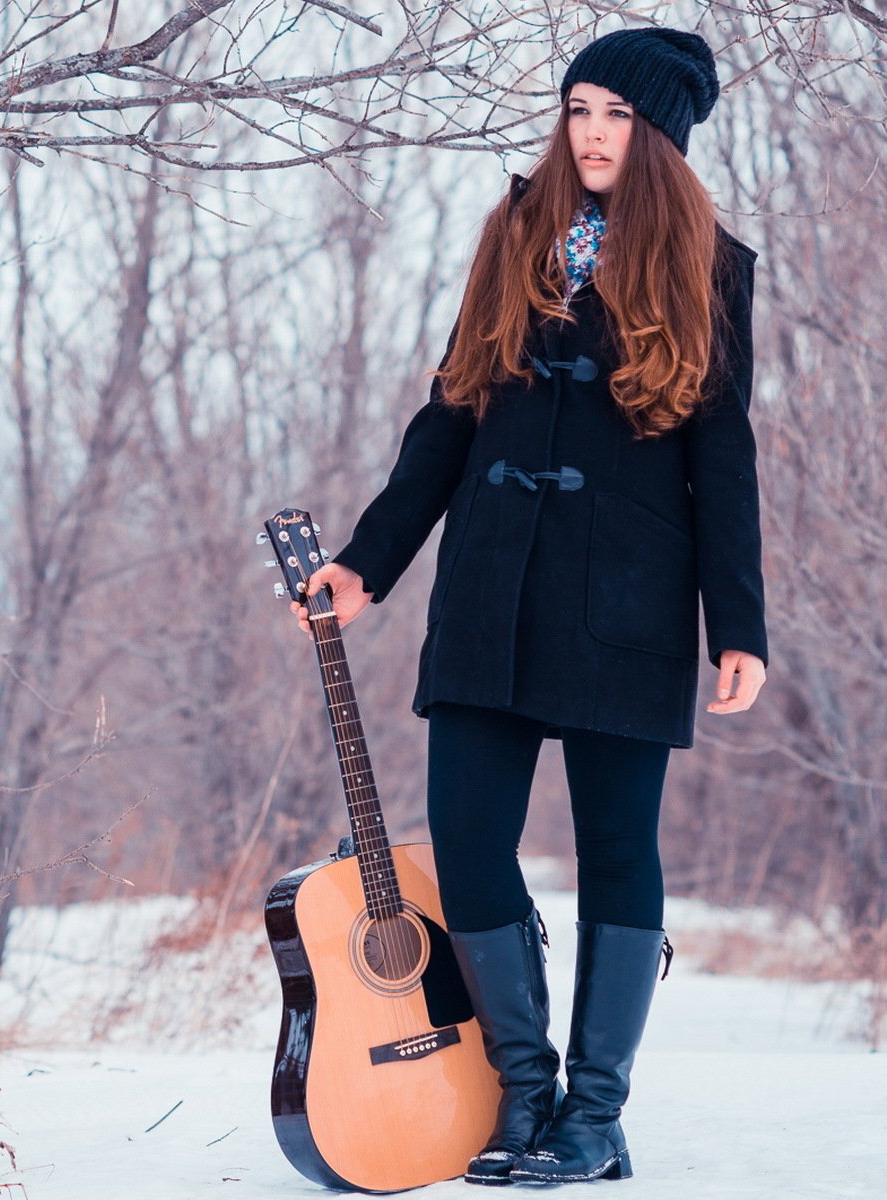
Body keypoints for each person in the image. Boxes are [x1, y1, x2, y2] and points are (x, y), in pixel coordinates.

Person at [287, 26, 767, 1187]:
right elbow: (449, 415)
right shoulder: (514, 236)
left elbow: (725, 455)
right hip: (492, 592)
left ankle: (595, 1119)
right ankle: (524, 1096)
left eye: (617, 116)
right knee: (465, 839)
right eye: (577, 109)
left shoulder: (712, 264)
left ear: (660, 136)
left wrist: (738, 623)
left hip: (631, 601)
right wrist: (365, 563)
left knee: (616, 852)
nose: (592, 134)